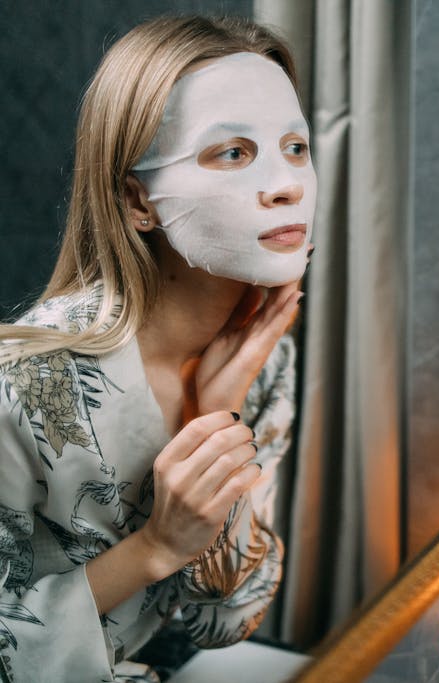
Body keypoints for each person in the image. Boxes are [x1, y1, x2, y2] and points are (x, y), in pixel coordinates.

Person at [0, 15, 316, 682]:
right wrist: (154, 547)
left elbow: (227, 620)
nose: (287, 183)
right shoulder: (22, 387)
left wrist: (217, 414)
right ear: (139, 200)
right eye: (231, 152)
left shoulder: (262, 359)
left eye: (295, 146)